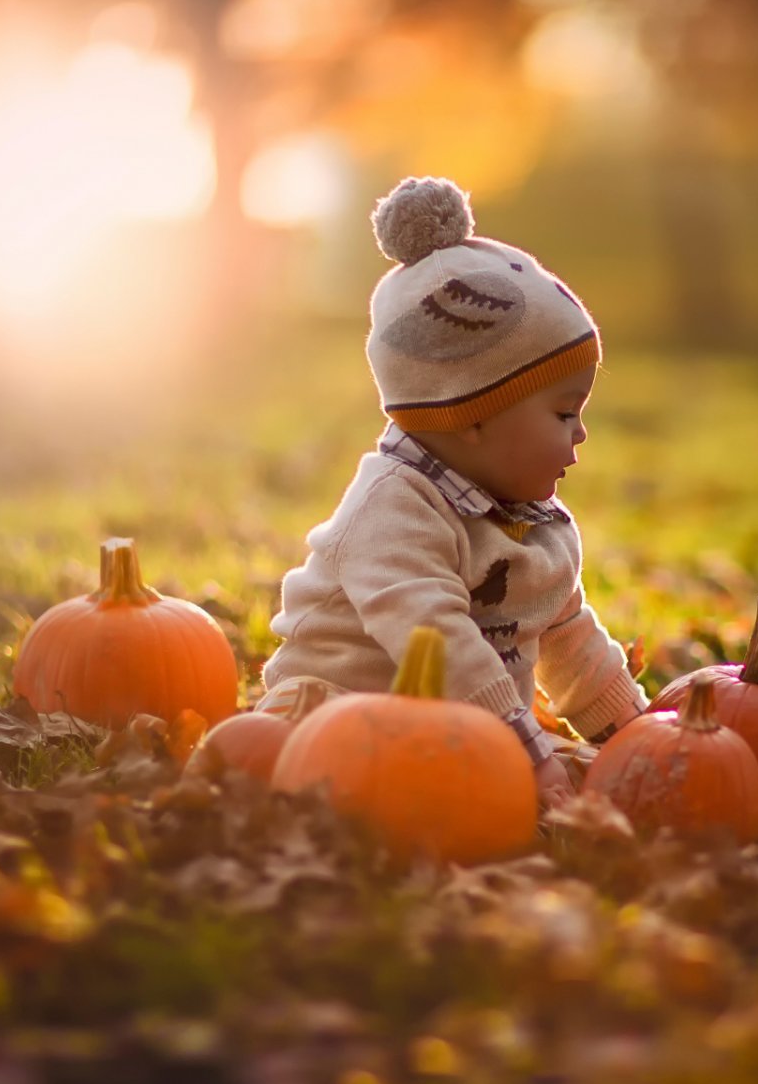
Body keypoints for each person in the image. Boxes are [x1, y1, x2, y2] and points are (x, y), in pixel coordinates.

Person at [257, 176, 649, 807]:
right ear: (470, 415)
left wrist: (635, 732)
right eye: (563, 413)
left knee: (583, 782)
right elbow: (433, 635)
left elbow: (568, 634)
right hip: (339, 724)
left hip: (471, 739)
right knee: (290, 769)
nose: (582, 432)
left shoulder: (534, 522)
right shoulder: (393, 509)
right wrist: (519, 748)